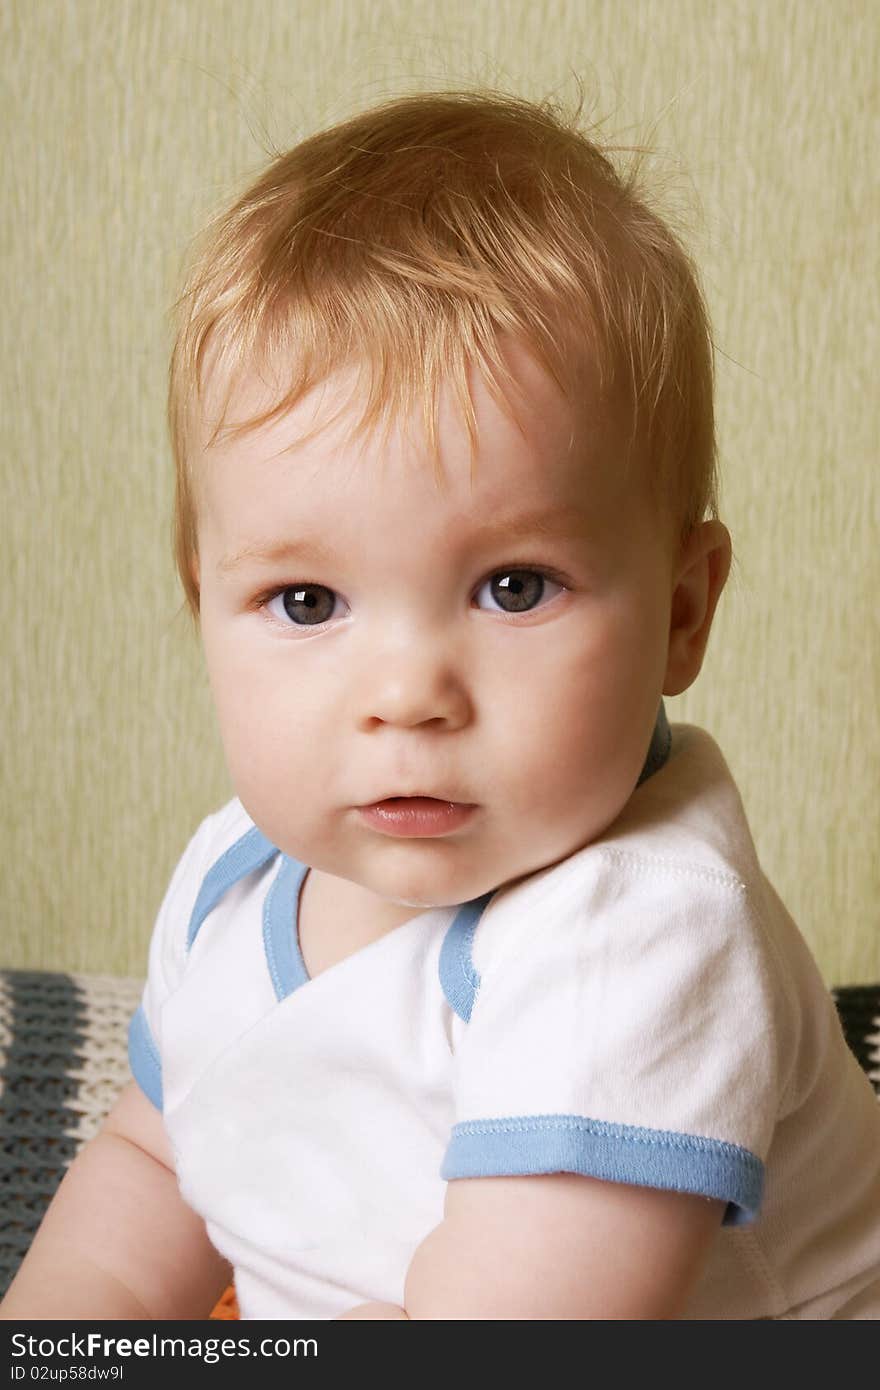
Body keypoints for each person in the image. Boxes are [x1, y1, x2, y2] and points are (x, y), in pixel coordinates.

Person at [3, 87, 879, 1322]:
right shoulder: (231, 881)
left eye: (513, 587)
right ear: (202, 602)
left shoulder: (640, 930)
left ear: (683, 612)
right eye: (307, 601)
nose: (407, 695)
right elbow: (158, 1165)